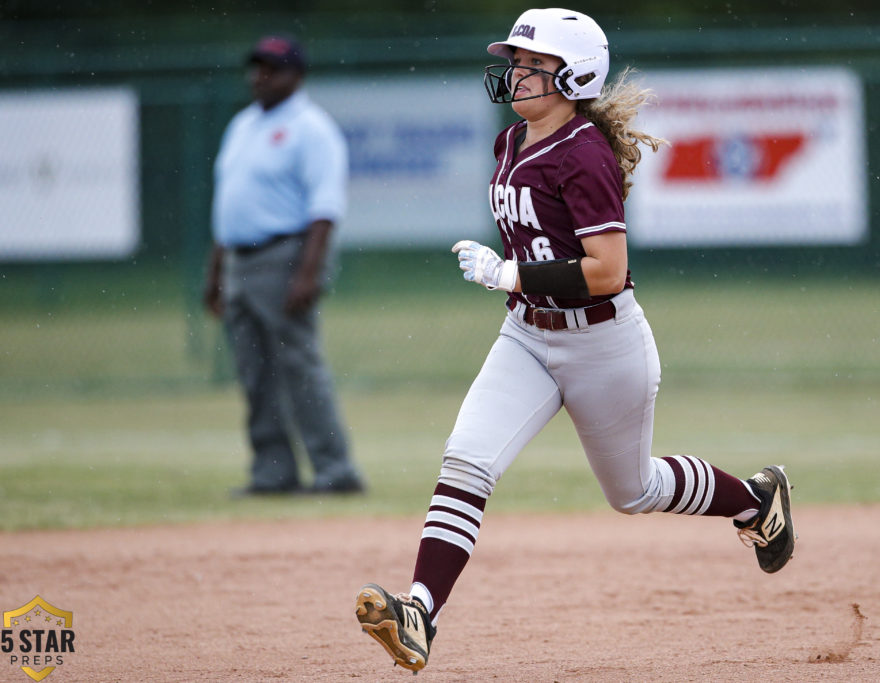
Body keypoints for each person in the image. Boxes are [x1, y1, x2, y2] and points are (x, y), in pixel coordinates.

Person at [355, 8, 795, 672]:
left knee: (635, 490)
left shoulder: (584, 152)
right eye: (517, 62)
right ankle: (420, 611)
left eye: (533, 64)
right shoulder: (511, 143)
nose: (517, 73)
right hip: (527, 333)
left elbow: (608, 270)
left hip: (603, 343)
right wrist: (517, 281)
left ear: (574, 74)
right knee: (467, 461)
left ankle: (758, 501)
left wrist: (509, 270)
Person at [203, 35, 364, 496]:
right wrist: (214, 273)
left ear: (297, 75)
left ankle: (336, 470)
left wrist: (307, 272)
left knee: (299, 368)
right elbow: (228, 207)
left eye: (271, 69)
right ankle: (272, 472)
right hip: (239, 258)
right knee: (254, 372)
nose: (260, 76)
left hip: (284, 255)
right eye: (256, 68)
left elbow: (325, 208)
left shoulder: (312, 128)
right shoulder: (243, 124)